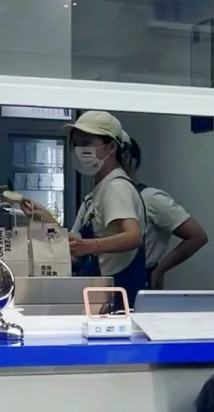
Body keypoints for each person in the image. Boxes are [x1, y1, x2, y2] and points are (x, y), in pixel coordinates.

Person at [22, 110, 146, 305]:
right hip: (101, 290)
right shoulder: (100, 189)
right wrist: (46, 218)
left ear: (112, 147)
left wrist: (90, 246)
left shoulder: (116, 187)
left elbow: (133, 236)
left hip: (116, 294)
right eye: (76, 144)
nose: (79, 150)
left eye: (86, 143)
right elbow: (77, 244)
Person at [124, 136, 208, 288]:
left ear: (127, 157)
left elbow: (197, 236)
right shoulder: (93, 200)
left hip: (138, 282)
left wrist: (159, 270)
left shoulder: (150, 199)